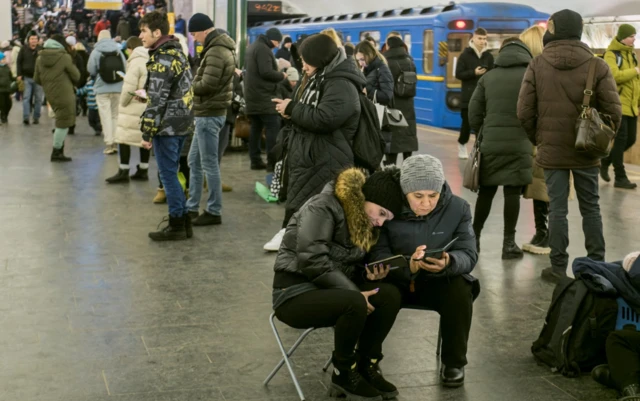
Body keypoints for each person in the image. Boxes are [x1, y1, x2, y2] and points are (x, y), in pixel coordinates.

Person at [272, 167, 406, 401]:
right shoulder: (322, 206)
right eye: (382, 213)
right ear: (368, 197)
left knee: (389, 295)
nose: (380, 222)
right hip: (293, 293)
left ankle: (366, 364)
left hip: (330, 292)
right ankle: (343, 372)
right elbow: (312, 259)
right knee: (354, 301)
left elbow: (347, 268)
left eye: (387, 219)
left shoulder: (364, 224)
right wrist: (355, 291)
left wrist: (367, 277)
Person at [517, 9, 622, 283]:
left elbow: (523, 112)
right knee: (591, 208)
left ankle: (557, 267)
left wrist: (539, 139)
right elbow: (614, 112)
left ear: (555, 29)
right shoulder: (597, 66)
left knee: (558, 210)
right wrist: (599, 141)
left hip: (551, 150)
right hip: (586, 151)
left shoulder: (537, 64)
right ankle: (597, 265)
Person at [369, 154, 479, 388]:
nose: (426, 203)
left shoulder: (458, 208)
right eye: (417, 196)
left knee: (461, 289)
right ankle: (369, 357)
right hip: (396, 280)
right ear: (405, 191)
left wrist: (449, 262)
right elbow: (377, 253)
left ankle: (454, 362)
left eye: (433, 196)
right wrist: (407, 264)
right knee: (380, 293)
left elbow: (469, 253)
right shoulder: (387, 207)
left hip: (437, 279)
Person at [266, 34, 366, 252]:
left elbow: (326, 118)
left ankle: (299, 241)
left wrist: (292, 109)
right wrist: (289, 109)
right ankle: (292, 236)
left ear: (319, 59)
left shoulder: (340, 83)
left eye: (306, 60)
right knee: (302, 200)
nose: (303, 66)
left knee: (317, 205)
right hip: (312, 153)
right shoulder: (322, 76)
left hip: (328, 155)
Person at [468, 38, 533, 259]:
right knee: (512, 193)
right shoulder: (531, 76)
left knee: (486, 192)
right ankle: (508, 244)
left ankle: (473, 239)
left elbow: (474, 112)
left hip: (492, 142)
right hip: (521, 143)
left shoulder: (488, 76)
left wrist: (482, 132)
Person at [139, 11, 195, 241]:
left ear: (157, 32)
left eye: (143, 31)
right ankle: (184, 221)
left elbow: (157, 100)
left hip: (167, 127)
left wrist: (147, 130)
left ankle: (176, 225)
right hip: (183, 123)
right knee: (175, 172)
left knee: (168, 175)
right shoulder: (178, 53)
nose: (140, 35)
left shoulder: (162, 59)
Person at [185, 13, 236, 226]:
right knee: (194, 160)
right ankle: (192, 206)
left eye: (195, 34)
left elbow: (207, 84)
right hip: (208, 113)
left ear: (205, 30)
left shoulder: (216, 51)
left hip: (209, 113)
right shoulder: (219, 49)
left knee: (208, 164)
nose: (195, 38)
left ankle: (214, 210)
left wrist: (187, 87)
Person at [519, 25, 552, 255]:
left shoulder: (534, 70)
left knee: (541, 187)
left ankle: (543, 237)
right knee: (548, 187)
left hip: (540, 138)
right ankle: (547, 235)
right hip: (557, 137)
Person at [600, 24, 640, 190]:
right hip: (618, 105)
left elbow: (635, 83)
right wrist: (635, 71)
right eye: (631, 36)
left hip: (631, 107)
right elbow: (613, 76)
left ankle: (605, 161)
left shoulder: (632, 54)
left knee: (630, 140)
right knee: (621, 139)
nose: (634, 39)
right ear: (623, 37)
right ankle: (620, 177)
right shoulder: (611, 54)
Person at [105, 36, 150, 184]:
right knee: (144, 137)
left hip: (132, 106)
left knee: (124, 137)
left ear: (131, 48)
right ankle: (143, 169)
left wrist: (123, 102)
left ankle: (123, 170)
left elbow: (129, 87)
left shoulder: (135, 62)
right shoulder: (150, 58)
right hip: (146, 103)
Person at [244, 27, 286, 170]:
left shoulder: (253, 47)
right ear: (272, 39)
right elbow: (266, 72)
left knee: (256, 128)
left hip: (253, 96)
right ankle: (272, 163)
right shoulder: (263, 49)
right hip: (265, 97)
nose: (278, 45)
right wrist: (281, 75)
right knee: (272, 127)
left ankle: (255, 160)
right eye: (277, 42)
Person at [34, 34, 80, 162]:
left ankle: (58, 150)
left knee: (61, 120)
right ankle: (57, 151)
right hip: (64, 93)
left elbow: (37, 78)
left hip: (50, 93)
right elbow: (76, 76)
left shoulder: (39, 58)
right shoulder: (64, 57)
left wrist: (49, 84)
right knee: (63, 122)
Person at [455, 27, 494, 159]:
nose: (482, 41)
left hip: (483, 96)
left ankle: (479, 149)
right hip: (468, 96)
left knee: (482, 125)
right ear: (473, 38)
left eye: (484, 39)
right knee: (466, 124)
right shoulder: (465, 55)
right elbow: (458, 74)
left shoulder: (488, 56)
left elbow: (493, 73)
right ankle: (462, 144)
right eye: (480, 38)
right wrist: (474, 73)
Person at [88, 29, 127, 154]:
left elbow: (91, 70)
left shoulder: (96, 51)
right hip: (118, 87)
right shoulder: (118, 51)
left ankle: (109, 143)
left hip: (102, 88)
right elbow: (125, 68)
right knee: (116, 115)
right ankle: (116, 141)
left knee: (105, 116)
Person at [382, 35, 417, 165]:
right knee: (407, 140)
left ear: (388, 46)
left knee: (393, 142)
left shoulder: (386, 63)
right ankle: (407, 171)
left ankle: (391, 171)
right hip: (408, 105)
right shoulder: (410, 61)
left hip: (392, 106)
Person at [355, 40, 393, 107]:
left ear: (369, 55)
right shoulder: (365, 69)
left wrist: (368, 91)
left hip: (377, 113)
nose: (360, 63)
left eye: (362, 59)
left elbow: (387, 96)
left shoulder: (382, 69)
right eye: (358, 60)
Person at [17, 31, 43, 125]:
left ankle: (36, 117)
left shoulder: (41, 50)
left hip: (39, 78)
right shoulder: (23, 49)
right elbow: (19, 62)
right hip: (26, 77)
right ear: (28, 40)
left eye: (35, 39)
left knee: (38, 98)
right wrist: (19, 74)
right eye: (32, 39)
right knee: (26, 97)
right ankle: (26, 117)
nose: (34, 41)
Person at [0, 53, 15, 124]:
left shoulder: (7, 67)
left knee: (9, 104)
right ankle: (3, 117)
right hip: (1, 90)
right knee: (2, 104)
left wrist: (16, 79)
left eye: (4, 58)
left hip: (8, 89)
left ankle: (5, 115)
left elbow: (11, 77)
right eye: (3, 59)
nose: (4, 60)